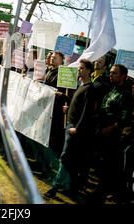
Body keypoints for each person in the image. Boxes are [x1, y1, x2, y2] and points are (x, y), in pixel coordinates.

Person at [44, 59, 97, 200]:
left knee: (65, 157)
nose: (78, 70)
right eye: (78, 68)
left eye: (81, 68)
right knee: (70, 159)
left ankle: (54, 188)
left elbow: (87, 112)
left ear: (88, 71)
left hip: (74, 128)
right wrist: (68, 106)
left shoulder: (90, 89)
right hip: (70, 124)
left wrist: (77, 128)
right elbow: (77, 105)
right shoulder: (81, 85)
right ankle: (69, 188)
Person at [91, 64, 134, 203]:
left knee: (107, 169)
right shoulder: (110, 90)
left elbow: (125, 118)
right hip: (101, 133)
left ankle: (100, 196)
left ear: (123, 76)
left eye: (115, 73)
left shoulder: (126, 95)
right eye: (110, 72)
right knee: (100, 167)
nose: (111, 75)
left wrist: (111, 128)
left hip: (112, 138)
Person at [44, 51, 68, 157]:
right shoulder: (49, 71)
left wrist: (61, 95)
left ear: (60, 60)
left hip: (55, 110)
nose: (52, 59)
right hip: (46, 107)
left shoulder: (62, 73)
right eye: (52, 57)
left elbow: (66, 93)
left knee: (53, 136)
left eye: (55, 58)